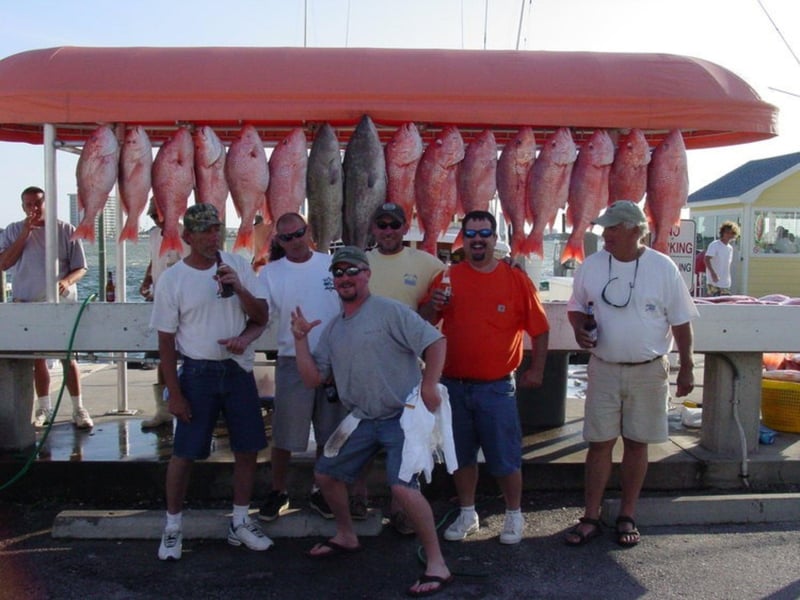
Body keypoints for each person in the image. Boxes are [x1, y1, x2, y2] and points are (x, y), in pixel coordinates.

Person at [292, 246, 453, 598]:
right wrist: (300, 341)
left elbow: (436, 341)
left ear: (366, 274)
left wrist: (429, 384)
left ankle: (437, 562)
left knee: (402, 489)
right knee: (326, 475)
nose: (345, 277)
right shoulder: (333, 329)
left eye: (352, 270)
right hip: (362, 419)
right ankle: (346, 534)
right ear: (333, 281)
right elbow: (312, 379)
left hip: (402, 419)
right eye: (338, 272)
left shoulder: (390, 311)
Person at [564, 200, 699, 547]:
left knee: (638, 444)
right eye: (605, 228)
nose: (605, 234)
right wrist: (580, 328)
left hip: (649, 369)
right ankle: (590, 515)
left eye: (613, 228)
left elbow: (681, 322)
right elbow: (576, 307)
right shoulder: (591, 265)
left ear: (636, 231)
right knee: (599, 444)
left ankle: (628, 514)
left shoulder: (663, 267)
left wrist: (687, 366)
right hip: (603, 368)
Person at [149, 203, 272, 560]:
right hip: (198, 373)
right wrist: (174, 393)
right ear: (186, 236)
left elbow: (262, 316)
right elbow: (165, 342)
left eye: (215, 228)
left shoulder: (238, 265)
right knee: (185, 453)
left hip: (237, 370)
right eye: (202, 230)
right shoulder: (173, 279)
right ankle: (172, 527)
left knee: (248, 448)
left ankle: (239, 521)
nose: (210, 236)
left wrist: (239, 289)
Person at [419, 209, 550, 546]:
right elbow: (425, 322)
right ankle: (467, 513)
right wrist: (433, 306)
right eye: (472, 234)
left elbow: (540, 328)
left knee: (505, 457)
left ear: (494, 239)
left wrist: (536, 369)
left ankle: (514, 514)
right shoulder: (448, 276)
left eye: (484, 234)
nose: (478, 240)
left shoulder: (516, 279)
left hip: (496, 387)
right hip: (452, 385)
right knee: (460, 456)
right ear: (465, 240)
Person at [256, 212, 347, 522]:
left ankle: (322, 490)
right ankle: (278, 491)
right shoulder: (269, 273)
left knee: (330, 433)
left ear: (309, 231)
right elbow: (259, 315)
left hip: (333, 360)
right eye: (287, 237)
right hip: (292, 359)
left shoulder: (331, 264)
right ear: (278, 241)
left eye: (298, 234)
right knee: (285, 434)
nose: (294, 241)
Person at [365, 201, 445, 533]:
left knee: (407, 439)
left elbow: (455, 284)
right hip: (365, 366)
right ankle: (360, 499)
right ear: (373, 228)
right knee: (362, 436)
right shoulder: (360, 261)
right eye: (381, 224)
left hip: (407, 368)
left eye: (394, 224)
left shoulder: (426, 263)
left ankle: (403, 508)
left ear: (404, 227)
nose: (387, 230)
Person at [0, 186, 92, 429]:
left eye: (38, 203)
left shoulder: (65, 229)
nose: (34, 208)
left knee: (67, 356)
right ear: (22, 207)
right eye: (29, 204)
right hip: (27, 302)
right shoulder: (11, 230)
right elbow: (4, 263)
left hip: (59, 303)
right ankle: (44, 409)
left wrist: (66, 281)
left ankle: (78, 408)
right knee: (37, 359)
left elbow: (81, 267)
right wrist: (24, 234)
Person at [138, 198, 189, 429]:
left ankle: (188, 406)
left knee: (188, 357)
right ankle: (163, 411)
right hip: (161, 302)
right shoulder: (152, 235)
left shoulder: (184, 233)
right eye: (153, 216)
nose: (157, 220)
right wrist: (148, 279)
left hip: (184, 305)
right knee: (162, 357)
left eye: (159, 215)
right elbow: (154, 260)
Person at [704, 221, 740, 296]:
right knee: (713, 305)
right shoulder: (715, 245)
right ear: (722, 233)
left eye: (731, 233)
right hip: (713, 282)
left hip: (725, 283)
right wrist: (713, 273)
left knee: (725, 305)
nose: (729, 235)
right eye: (727, 232)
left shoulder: (730, 248)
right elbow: (706, 259)